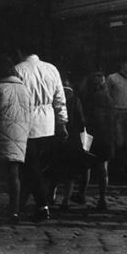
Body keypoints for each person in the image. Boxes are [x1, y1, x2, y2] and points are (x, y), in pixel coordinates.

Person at [16, 48, 68, 222]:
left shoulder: (18, 69)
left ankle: (40, 205)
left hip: (27, 122)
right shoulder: (51, 69)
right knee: (36, 165)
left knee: (31, 166)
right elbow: (60, 98)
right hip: (48, 123)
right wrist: (62, 122)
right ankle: (26, 204)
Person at [0, 55, 33, 223]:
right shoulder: (25, 89)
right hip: (19, 135)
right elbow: (30, 114)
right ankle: (14, 211)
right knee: (14, 172)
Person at [52, 72, 86, 212]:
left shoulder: (54, 97)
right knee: (69, 173)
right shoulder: (75, 99)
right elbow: (81, 121)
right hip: (72, 138)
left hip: (56, 136)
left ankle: (51, 195)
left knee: (54, 169)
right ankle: (66, 199)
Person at [82, 70, 114, 211]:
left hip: (90, 133)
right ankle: (102, 198)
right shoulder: (107, 97)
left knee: (86, 165)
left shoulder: (86, 97)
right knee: (102, 168)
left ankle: (82, 194)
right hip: (104, 134)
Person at [106, 59, 127, 177]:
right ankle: (116, 168)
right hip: (117, 113)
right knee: (118, 141)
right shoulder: (112, 78)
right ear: (121, 64)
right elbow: (107, 95)